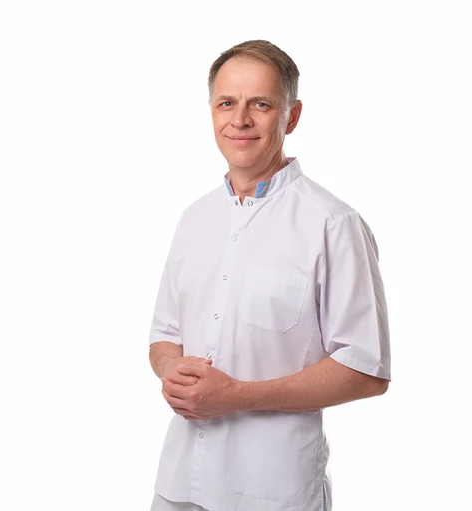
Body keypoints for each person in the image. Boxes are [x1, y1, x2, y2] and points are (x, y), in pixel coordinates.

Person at [147, 40, 391, 511]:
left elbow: (366, 369)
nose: (239, 119)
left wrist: (237, 395)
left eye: (260, 104)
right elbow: (164, 336)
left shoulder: (332, 224)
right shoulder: (194, 219)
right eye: (226, 103)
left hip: (272, 492)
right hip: (179, 485)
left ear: (292, 117)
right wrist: (169, 369)